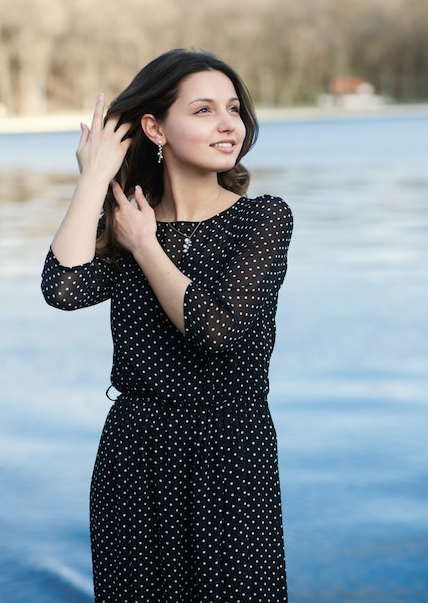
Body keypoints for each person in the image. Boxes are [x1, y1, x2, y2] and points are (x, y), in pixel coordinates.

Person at [41, 48, 293, 602]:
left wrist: (147, 248)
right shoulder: (128, 218)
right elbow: (62, 290)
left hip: (230, 452)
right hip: (135, 451)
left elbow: (217, 332)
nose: (229, 124)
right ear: (155, 127)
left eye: (233, 108)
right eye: (203, 110)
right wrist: (94, 181)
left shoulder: (262, 218)